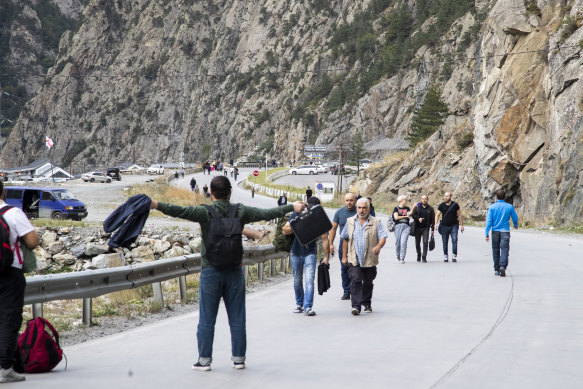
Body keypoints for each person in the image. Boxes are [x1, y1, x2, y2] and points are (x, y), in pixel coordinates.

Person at [149, 176, 305, 371]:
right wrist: (292, 207)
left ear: (211, 193)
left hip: (211, 271)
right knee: (237, 317)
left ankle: (204, 360)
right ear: (230, 191)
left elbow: (179, 211)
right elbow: (267, 212)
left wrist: (155, 204)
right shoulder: (241, 211)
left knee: (207, 318)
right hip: (234, 271)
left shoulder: (203, 212)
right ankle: (239, 358)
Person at [0, 181, 39, 383]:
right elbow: (32, 241)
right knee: (8, 319)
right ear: (3, 191)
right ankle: (5, 368)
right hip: (9, 271)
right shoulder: (13, 213)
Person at [282, 197, 330, 316]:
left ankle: (308, 306)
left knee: (309, 280)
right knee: (297, 281)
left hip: (310, 252)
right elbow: (284, 230)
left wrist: (327, 257)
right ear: (307, 205)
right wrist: (299, 222)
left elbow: (325, 239)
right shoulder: (296, 214)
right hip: (296, 252)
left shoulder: (319, 218)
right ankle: (299, 304)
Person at [340, 198, 387, 315]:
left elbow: (383, 237)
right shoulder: (350, 221)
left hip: (369, 258)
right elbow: (345, 239)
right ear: (357, 208)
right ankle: (355, 306)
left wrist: (378, 246)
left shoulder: (376, 222)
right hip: (354, 257)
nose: (361, 210)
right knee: (355, 279)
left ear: (369, 208)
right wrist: (344, 256)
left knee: (368, 281)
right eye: (359, 208)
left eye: (364, 208)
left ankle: (366, 303)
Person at [329, 193, 357, 300]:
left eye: (351, 200)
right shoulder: (339, 213)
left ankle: (355, 289)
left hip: (356, 243)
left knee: (356, 267)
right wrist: (331, 243)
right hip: (343, 243)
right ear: (344, 201)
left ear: (355, 201)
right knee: (344, 267)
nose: (349, 202)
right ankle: (346, 291)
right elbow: (333, 228)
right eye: (347, 200)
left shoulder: (359, 211)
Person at [485, 190, 518, 277]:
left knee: (495, 250)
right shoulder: (509, 207)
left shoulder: (492, 207)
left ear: (496, 197)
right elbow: (515, 217)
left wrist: (486, 232)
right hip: (505, 231)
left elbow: (489, 221)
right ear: (505, 197)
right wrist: (515, 225)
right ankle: (502, 266)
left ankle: (496, 269)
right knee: (504, 249)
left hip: (495, 231)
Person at [434, 192, 464, 262]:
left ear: (450, 196)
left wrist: (461, 225)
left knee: (454, 240)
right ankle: (445, 256)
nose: (445, 198)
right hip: (444, 226)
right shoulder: (441, 205)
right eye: (445, 196)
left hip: (454, 225)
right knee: (445, 242)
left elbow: (459, 215)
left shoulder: (455, 205)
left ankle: (454, 255)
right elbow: (437, 215)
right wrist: (435, 224)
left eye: (447, 196)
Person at [410, 195, 435, 263]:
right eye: (423, 199)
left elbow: (433, 219)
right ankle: (419, 254)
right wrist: (418, 218)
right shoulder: (417, 207)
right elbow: (412, 215)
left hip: (426, 228)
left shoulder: (430, 208)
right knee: (417, 243)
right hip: (417, 227)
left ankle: (424, 256)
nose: (424, 200)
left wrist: (432, 229)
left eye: (425, 199)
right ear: (421, 199)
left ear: (427, 200)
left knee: (425, 242)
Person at [393, 195, 411, 263]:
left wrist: (414, 207)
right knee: (398, 243)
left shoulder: (407, 208)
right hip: (398, 226)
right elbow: (396, 218)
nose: (406, 201)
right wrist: (405, 216)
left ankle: (402, 258)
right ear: (400, 201)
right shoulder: (396, 208)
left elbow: (409, 215)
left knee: (403, 242)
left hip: (406, 227)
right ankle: (398, 255)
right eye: (405, 200)